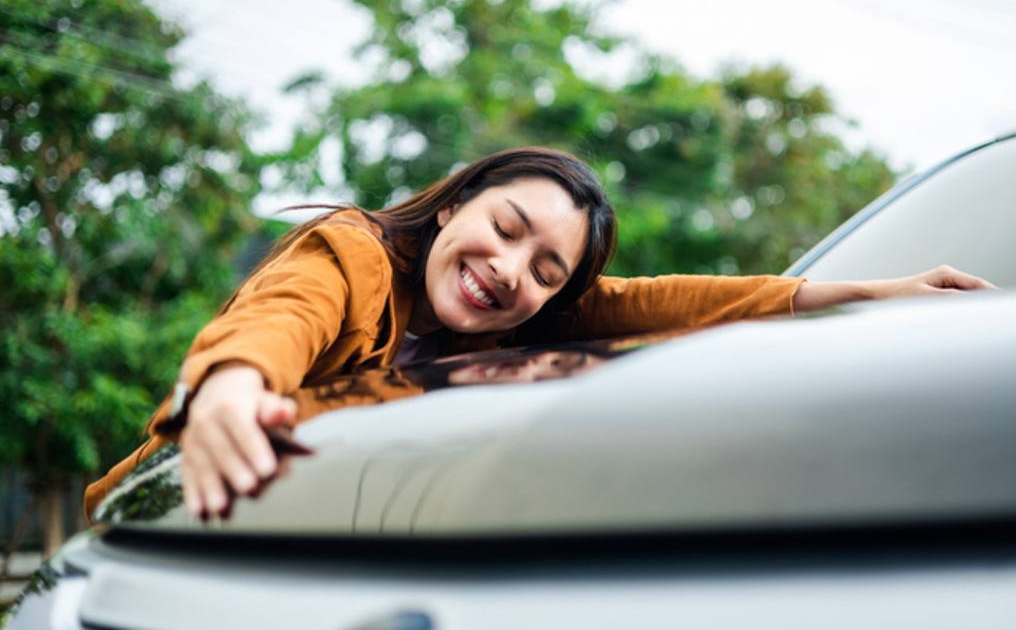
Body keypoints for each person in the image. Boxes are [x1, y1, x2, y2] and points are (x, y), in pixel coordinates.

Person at [82, 146, 996, 521]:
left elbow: (673, 303)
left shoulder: (511, 326)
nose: (511, 272)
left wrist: (862, 292)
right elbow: (284, 312)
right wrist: (233, 385)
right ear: (452, 206)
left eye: (547, 272)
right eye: (507, 229)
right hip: (168, 521)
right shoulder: (356, 256)